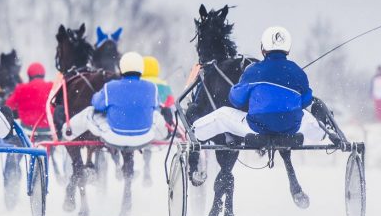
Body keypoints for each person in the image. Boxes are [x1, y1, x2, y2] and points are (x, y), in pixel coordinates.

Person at [190, 27, 328, 143]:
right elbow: (306, 101)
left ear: (263, 48)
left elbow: (236, 100)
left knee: (221, 115)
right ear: (287, 49)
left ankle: (196, 128)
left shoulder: (253, 70)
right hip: (291, 127)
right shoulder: (298, 72)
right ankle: (323, 131)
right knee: (307, 117)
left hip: (256, 128)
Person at [64, 52, 169, 147]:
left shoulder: (110, 87)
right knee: (156, 115)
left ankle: (68, 133)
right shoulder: (152, 87)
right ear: (141, 68)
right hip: (145, 136)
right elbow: (156, 107)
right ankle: (166, 134)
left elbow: (96, 104)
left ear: (121, 68)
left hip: (115, 137)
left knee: (89, 112)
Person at [5, 62, 54, 131]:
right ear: (43, 74)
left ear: (29, 75)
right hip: (48, 129)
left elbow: (8, 106)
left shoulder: (21, 88)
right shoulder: (52, 86)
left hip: (27, 129)